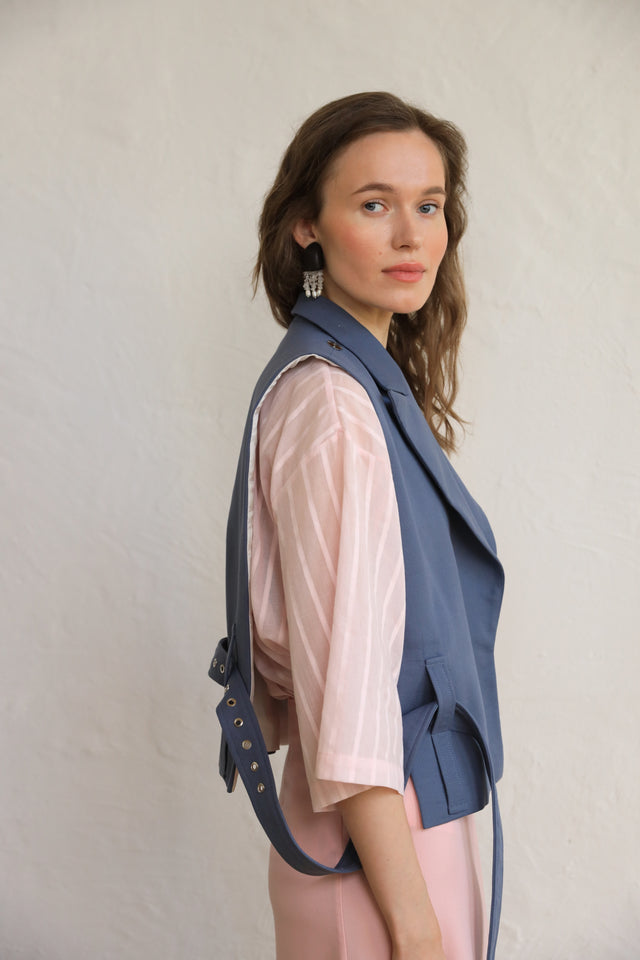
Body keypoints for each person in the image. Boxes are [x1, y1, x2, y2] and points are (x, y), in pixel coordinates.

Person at [213, 91, 505, 960]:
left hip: (389, 822)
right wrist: (413, 920)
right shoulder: (336, 406)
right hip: (380, 842)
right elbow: (349, 691)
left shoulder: (348, 381)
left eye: (429, 205)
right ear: (307, 225)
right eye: (374, 205)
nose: (412, 236)